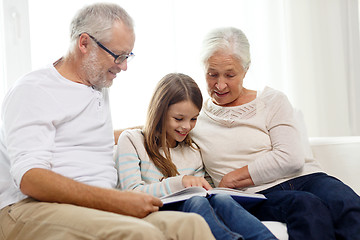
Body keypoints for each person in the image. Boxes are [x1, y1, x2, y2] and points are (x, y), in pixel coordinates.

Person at [0, 3, 216, 240]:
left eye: (128, 56)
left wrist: (151, 129)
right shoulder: (34, 90)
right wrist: (117, 199)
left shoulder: (97, 85)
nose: (123, 66)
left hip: (93, 208)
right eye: (118, 56)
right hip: (28, 207)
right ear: (84, 43)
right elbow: (30, 179)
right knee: (139, 234)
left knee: (190, 226)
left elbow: (80, 137)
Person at [190, 26, 360, 239]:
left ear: (246, 69)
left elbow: (291, 158)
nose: (220, 84)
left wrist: (233, 177)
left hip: (307, 178)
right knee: (308, 210)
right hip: (257, 194)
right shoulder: (194, 117)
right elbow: (161, 125)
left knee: (349, 205)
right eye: (212, 74)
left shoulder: (272, 100)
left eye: (230, 75)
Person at [115, 73, 277, 240]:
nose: (186, 127)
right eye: (178, 119)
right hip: (154, 212)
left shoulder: (193, 150)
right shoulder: (132, 140)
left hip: (194, 211)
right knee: (196, 202)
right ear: (159, 112)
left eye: (193, 119)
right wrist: (180, 182)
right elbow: (131, 194)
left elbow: (206, 193)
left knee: (222, 200)